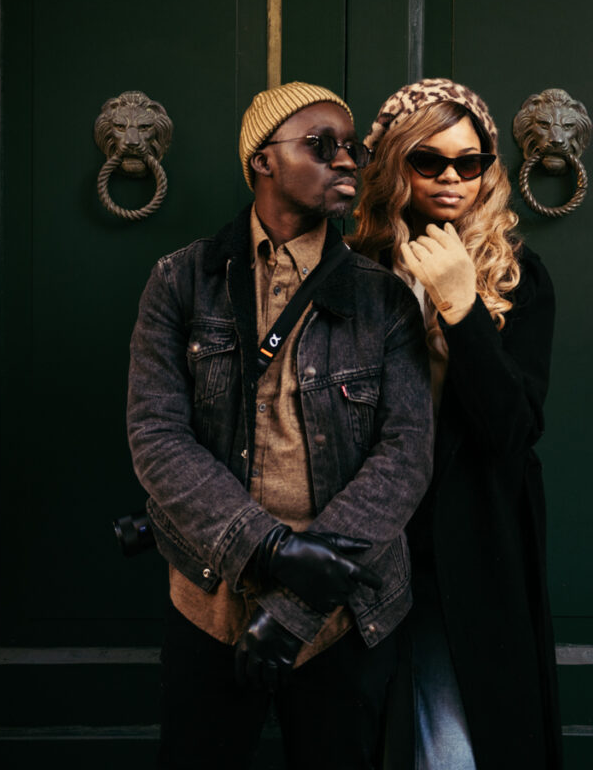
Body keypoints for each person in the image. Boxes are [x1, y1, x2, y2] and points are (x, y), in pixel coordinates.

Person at [126, 81, 433, 770]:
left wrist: (295, 603)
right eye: (320, 146)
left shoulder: (382, 299)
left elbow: (405, 455)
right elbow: (156, 435)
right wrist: (266, 548)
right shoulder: (182, 281)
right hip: (209, 598)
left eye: (349, 148)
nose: (346, 161)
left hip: (344, 614)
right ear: (262, 161)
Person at [350, 78, 563, 770]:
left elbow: (511, 428)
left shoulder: (518, 274)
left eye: (467, 163)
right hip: (364, 532)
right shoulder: (352, 270)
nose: (450, 178)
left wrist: (461, 308)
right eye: (428, 161)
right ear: (392, 165)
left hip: (471, 536)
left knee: (456, 738)